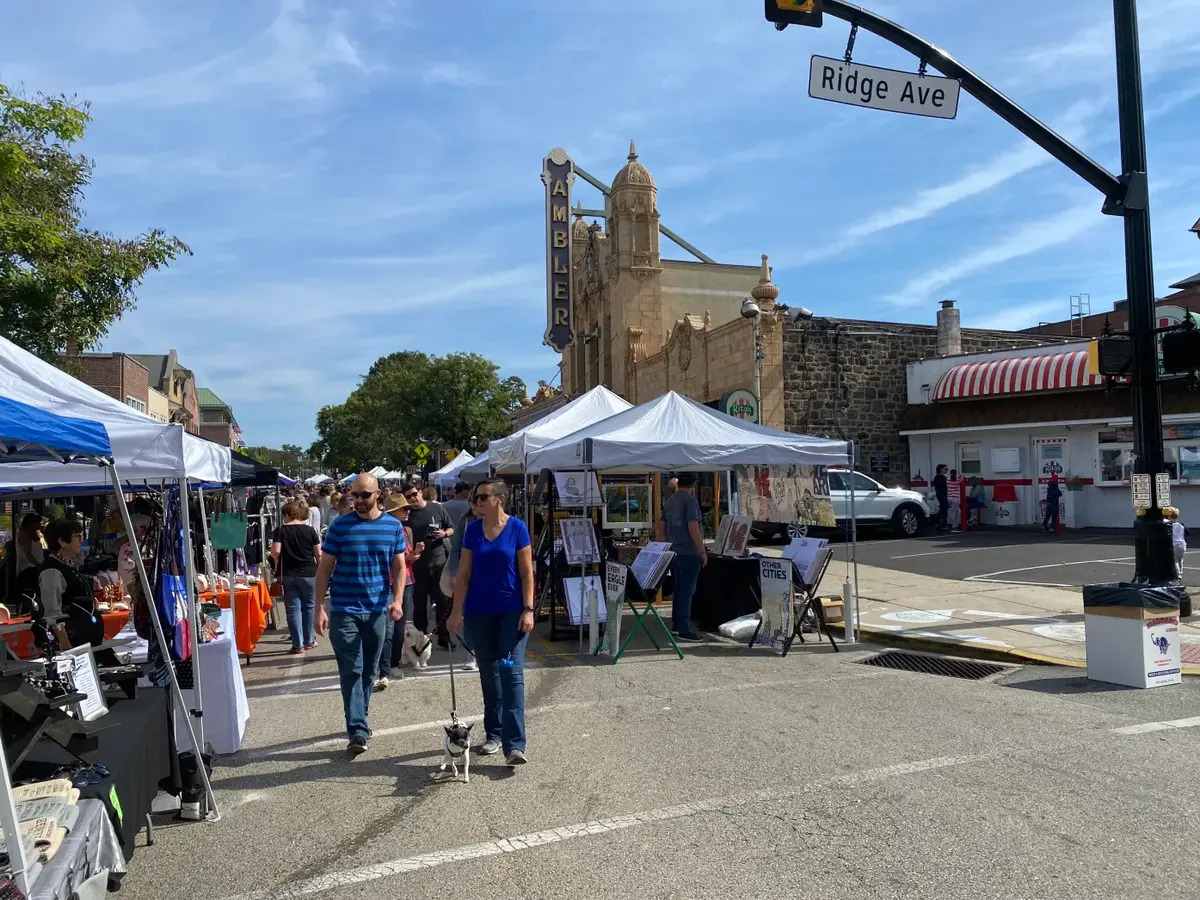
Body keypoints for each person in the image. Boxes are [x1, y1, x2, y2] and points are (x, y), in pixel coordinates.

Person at [313, 474, 407, 757]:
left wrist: (398, 600)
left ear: (378, 494)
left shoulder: (392, 527)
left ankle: (360, 717)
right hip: (344, 610)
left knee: (369, 671)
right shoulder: (340, 527)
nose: (360, 501)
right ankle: (357, 729)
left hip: (378, 609)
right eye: (355, 496)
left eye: (365, 495)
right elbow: (325, 569)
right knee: (351, 670)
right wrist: (319, 607)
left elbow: (399, 567)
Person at [447, 479, 533, 767]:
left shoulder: (518, 528)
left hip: (511, 612)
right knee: (489, 674)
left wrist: (528, 609)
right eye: (475, 497)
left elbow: (526, 573)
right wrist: (456, 612)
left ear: (500, 499)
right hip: (479, 612)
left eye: (483, 497)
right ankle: (493, 733)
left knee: (511, 674)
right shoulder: (473, 531)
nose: (477, 501)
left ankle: (515, 745)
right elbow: (464, 574)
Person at [378, 494, 424, 686]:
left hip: (407, 581)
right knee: (389, 628)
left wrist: (415, 554)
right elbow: (390, 559)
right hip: (390, 582)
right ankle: (386, 666)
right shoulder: (385, 530)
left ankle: (393, 663)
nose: (407, 511)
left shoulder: (406, 530)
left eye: (408, 509)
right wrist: (410, 557)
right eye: (403, 509)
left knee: (400, 627)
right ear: (391, 512)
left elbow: (406, 558)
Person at [656, 472, 707, 642]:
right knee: (687, 590)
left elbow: (661, 524)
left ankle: (677, 625)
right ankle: (684, 629)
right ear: (692, 486)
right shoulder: (690, 501)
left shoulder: (670, 500)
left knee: (679, 589)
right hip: (688, 551)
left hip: (674, 550)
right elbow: (693, 527)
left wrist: (665, 544)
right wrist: (702, 551)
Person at [404, 484, 454, 648]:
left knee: (443, 601)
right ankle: (421, 639)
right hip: (417, 566)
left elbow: (451, 527)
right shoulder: (407, 514)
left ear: (420, 492)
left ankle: (444, 637)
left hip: (438, 563)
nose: (411, 499)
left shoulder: (436, 508)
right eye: (407, 496)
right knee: (419, 604)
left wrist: (444, 534)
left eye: (413, 494)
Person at [271, 499, 322, 654]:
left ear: (287, 514)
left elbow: (276, 552)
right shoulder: (310, 530)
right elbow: (319, 553)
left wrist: (277, 560)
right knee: (309, 607)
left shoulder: (280, 531)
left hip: (288, 574)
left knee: (293, 609)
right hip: (308, 572)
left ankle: (297, 644)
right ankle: (309, 640)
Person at [1169, 507, 1187, 580]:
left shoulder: (1170, 526)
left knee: (1175, 560)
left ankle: (1178, 574)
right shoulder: (1181, 525)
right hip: (1183, 544)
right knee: (1181, 559)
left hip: (1175, 544)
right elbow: (1187, 532)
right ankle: (1181, 573)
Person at [932, 464, 949, 530]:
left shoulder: (936, 478)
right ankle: (943, 524)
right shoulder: (943, 478)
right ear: (941, 469)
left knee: (941, 510)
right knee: (944, 510)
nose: (946, 471)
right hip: (943, 496)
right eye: (946, 469)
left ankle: (938, 523)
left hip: (939, 495)